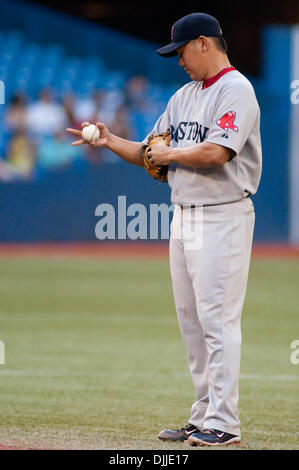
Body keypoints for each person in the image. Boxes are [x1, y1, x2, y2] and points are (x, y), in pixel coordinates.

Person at [66, 12, 262, 447]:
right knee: (191, 323)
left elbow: (216, 153)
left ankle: (225, 423)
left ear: (205, 44)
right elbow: (150, 151)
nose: (178, 61)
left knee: (217, 321)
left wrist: (169, 154)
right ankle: (203, 415)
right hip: (184, 217)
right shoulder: (184, 95)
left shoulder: (237, 90)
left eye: (182, 51)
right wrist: (108, 141)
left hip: (222, 213)